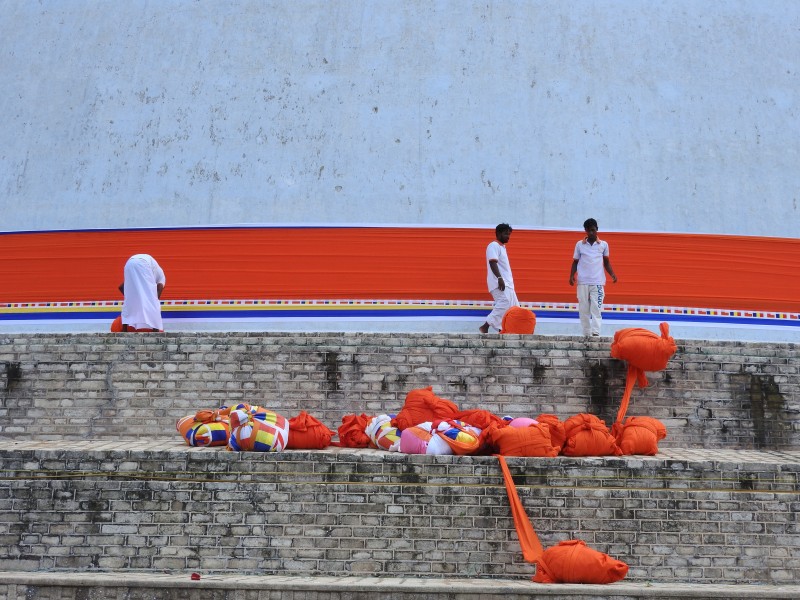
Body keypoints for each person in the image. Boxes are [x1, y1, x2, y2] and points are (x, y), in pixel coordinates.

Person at [569, 218, 618, 337]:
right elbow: (575, 262)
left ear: (597, 229)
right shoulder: (579, 245)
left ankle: (595, 332)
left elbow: (606, 262)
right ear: (585, 231)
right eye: (588, 230)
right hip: (582, 282)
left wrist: (612, 274)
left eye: (593, 230)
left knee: (597, 308)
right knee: (583, 309)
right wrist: (571, 276)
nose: (591, 233)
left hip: (598, 282)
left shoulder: (604, 245)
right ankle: (586, 333)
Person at [479, 223, 519, 333]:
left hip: (508, 284)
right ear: (498, 233)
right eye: (506, 234)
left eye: (509, 234)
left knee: (514, 308)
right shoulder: (493, 245)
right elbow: (492, 262)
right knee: (504, 303)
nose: (508, 236)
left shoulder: (502, 248)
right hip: (499, 283)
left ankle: (505, 329)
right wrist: (500, 278)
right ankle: (485, 326)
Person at [119, 254, 166, 332]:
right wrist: (151, 302)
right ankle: (155, 329)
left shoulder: (154, 272)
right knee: (154, 302)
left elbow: (121, 287)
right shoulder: (162, 278)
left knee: (129, 302)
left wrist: (132, 299)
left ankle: (124, 329)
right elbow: (156, 296)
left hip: (129, 264)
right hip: (144, 263)